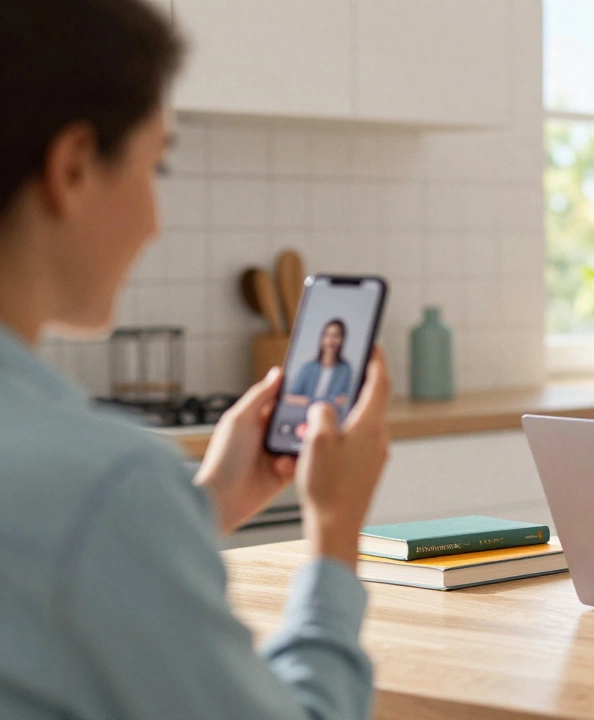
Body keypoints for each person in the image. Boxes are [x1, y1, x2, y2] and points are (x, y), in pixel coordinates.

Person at [0, 1, 389, 717]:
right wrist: (335, 537)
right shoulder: (103, 482)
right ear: (73, 167)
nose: (155, 221)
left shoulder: (91, 495)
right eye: (157, 165)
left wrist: (208, 501)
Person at [285, 319, 354, 412]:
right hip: (304, 414)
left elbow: (342, 401)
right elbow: (290, 397)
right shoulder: (308, 367)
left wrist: (308, 401)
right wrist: (330, 401)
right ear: (322, 338)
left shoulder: (345, 370)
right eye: (327, 335)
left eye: (336, 336)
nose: (331, 340)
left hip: (330, 415)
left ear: (342, 340)